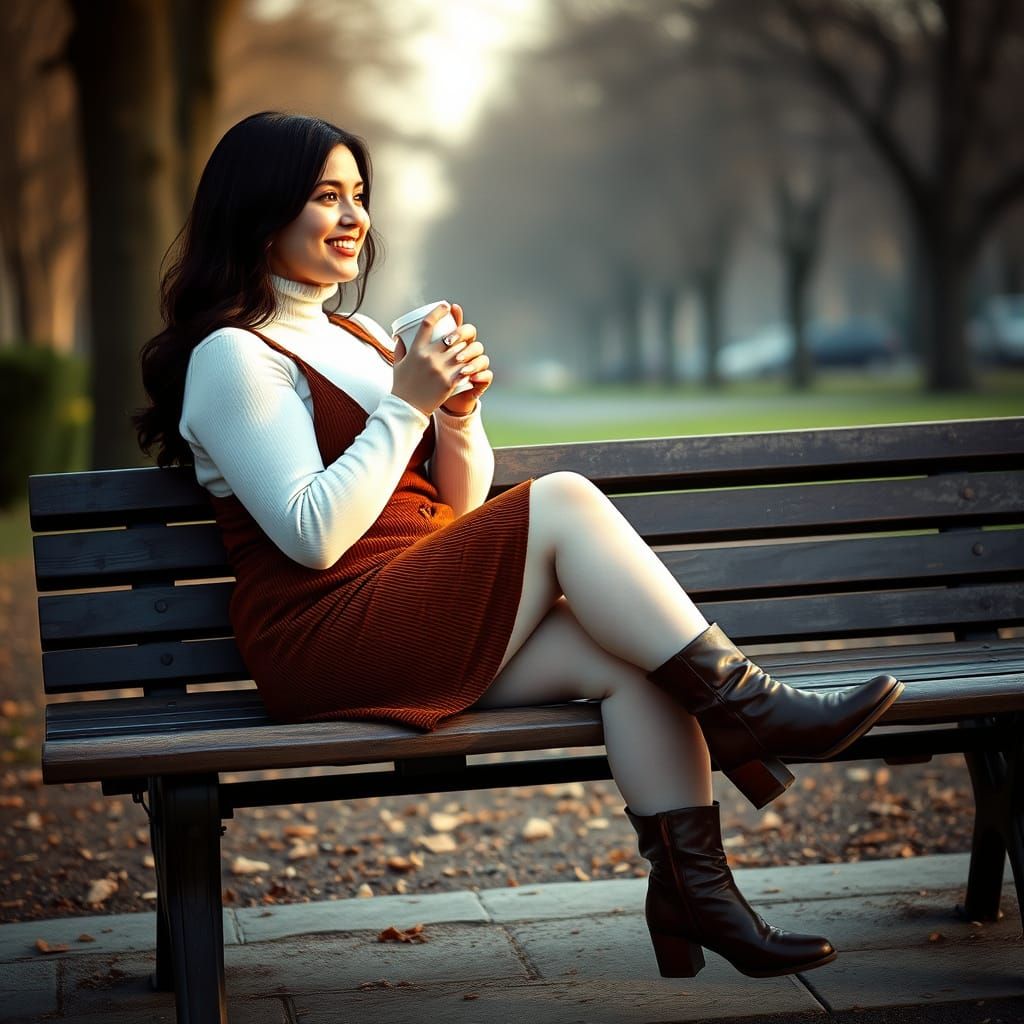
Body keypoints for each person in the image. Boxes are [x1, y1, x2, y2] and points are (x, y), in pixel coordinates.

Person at [134, 111, 904, 981]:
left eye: (359, 197)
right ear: (260, 209)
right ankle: (752, 708)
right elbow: (311, 537)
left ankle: (698, 894)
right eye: (324, 197)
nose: (353, 218)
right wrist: (408, 405)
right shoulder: (234, 357)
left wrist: (456, 415)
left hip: (405, 605)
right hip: (324, 632)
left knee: (632, 662)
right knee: (564, 499)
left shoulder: (359, 336)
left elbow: (453, 508)